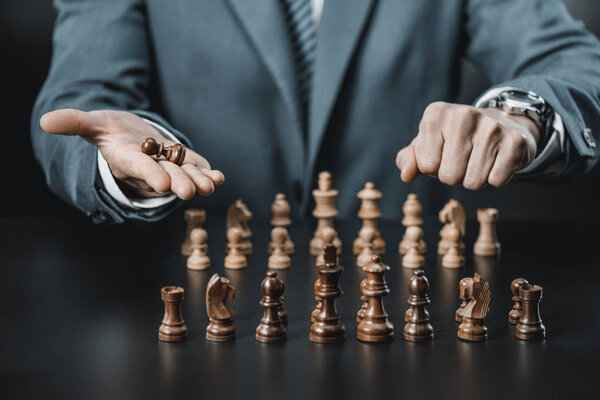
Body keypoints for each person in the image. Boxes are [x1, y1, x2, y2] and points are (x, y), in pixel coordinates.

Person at [32, 0, 600, 224]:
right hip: (195, 306)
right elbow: (79, 103)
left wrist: (523, 116)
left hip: (410, 313)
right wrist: (126, 160)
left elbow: (573, 59)